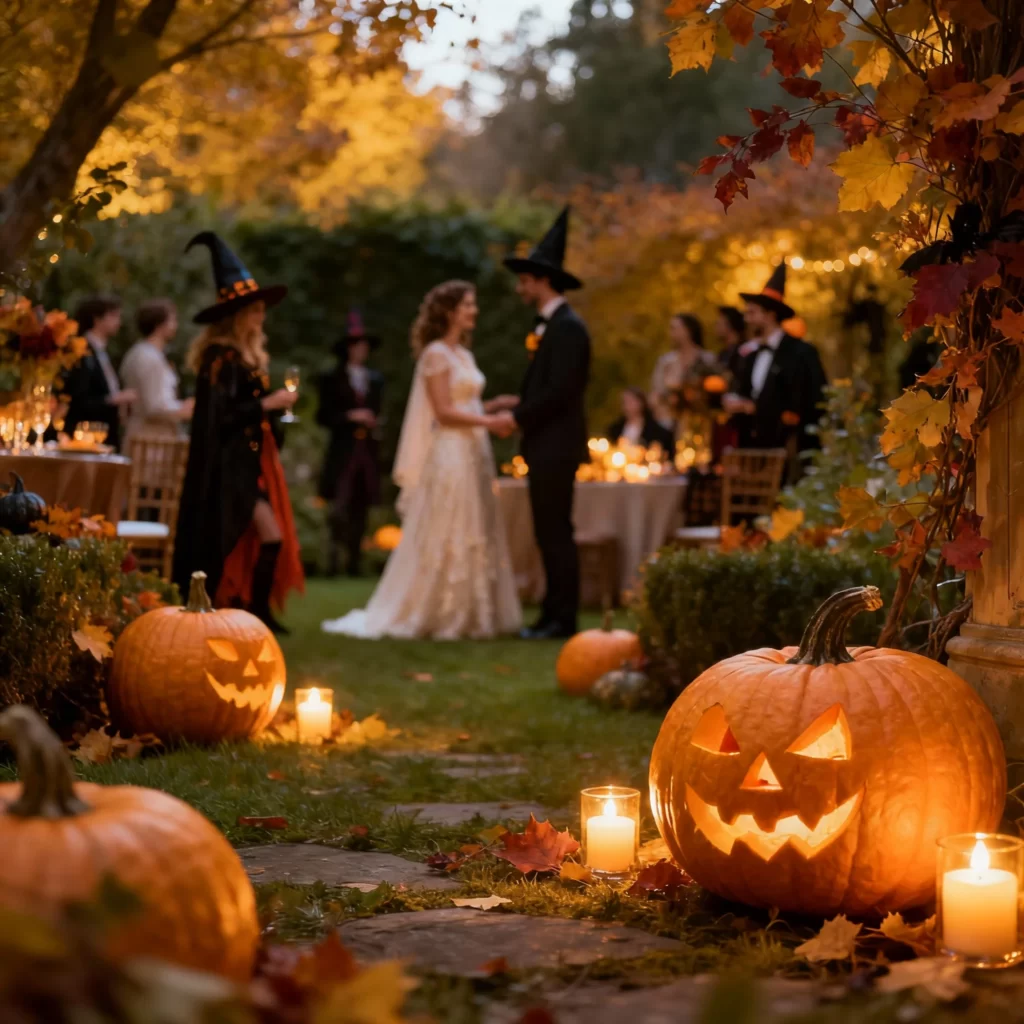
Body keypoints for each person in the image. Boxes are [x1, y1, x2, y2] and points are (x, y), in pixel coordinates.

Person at [321, 280, 522, 640]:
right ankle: (441, 611)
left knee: (476, 525)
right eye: (467, 305)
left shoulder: (463, 354)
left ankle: (475, 612)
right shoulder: (436, 355)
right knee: (450, 523)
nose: (474, 311)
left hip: (474, 452)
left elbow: (464, 404)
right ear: (449, 311)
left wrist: (493, 405)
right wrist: (490, 422)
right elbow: (443, 412)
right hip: (450, 453)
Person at [173, 232, 304, 634]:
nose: (260, 317)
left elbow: (247, 414)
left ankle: (256, 608)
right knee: (251, 535)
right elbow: (219, 417)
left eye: (261, 310)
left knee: (268, 537)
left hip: (252, 464)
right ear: (237, 316)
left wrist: (274, 415)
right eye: (254, 311)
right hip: (227, 468)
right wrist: (265, 405)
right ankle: (240, 607)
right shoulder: (219, 360)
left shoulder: (249, 360)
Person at [498, 207, 591, 641]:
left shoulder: (568, 329)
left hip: (556, 446)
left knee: (555, 533)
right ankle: (552, 615)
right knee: (548, 531)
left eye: (526, 279)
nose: (522, 287)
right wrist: (518, 402)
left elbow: (561, 392)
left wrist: (516, 416)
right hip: (546, 444)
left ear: (542, 281)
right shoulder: (552, 327)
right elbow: (548, 387)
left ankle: (561, 618)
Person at [724, 263, 827, 459]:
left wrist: (756, 408)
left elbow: (811, 401)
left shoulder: (801, 352)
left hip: (789, 449)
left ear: (770, 316)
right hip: (752, 450)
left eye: (752, 313)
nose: (746, 319)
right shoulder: (750, 355)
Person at [317, 310, 385, 578]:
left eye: (364, 345)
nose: (361, 350)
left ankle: (355, 562)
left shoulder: (375, 380)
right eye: (356, 345)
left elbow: (378, 411)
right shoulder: (332, 378)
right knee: (339, 506)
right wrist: (350, 416)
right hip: (343, 450)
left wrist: (373, 421)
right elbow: (324, 415)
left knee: (361, 506)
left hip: (366, 449)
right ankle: (333, 561)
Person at [63, 294, 137, 449]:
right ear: (97, 319)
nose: (119, 322)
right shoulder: (82, 351)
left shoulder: (100, 351)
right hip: (86, 437)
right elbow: (79, 398)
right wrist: (113, 399)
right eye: (114, 316)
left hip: (103, 434)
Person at [119, 298, 194, 446]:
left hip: (155, 436)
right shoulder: (147, 357)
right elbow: (154, 405)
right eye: (172, 321)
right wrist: (184, 409)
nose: (175, 326)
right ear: (159, 325)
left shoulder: (147, 353)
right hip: (149, 440)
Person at [649, 313, 720, 430]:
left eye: (674, 328)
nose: (671, 333)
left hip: (702, 421)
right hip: (670, 423)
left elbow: (715, 391)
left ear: (688, 330)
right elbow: (656, 393)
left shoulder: (707, 360)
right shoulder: (666, 362)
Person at [606, 387, 675, 451]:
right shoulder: (615, 429)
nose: (627, 406)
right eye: (624, 402)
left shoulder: (656, 431)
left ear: (641, 403)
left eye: (631, 401)